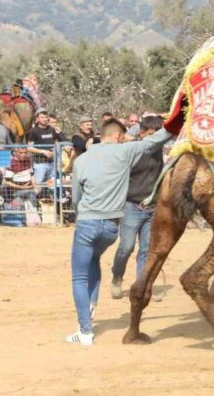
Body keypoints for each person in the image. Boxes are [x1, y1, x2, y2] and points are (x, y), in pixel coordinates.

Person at [66, 118, 171, 346]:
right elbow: (155, 140)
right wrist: (178, 122)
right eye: (122, 136)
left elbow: (76, 197)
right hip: (112, 227)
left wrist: (79, 215)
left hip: (87, 222)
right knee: (94, 261)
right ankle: (91, 308)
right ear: (115, 136)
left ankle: (85, 331)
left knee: (79, 276)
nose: (124, 139)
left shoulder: (82, 160)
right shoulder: (125, 152)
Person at [110, 116, 165, 299]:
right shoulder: (132, 151)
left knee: (146, 250)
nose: (155, 138)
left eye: (158, 134)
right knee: (126, 247)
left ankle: (143, 285)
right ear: (141, 133)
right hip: (131, 206)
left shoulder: (159, 153)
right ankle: (117, 277)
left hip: (152, 208)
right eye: (151, 134)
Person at [26, 109, 65, 188]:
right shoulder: (33, 131)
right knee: (38, 186)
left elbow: (56, 142)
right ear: (37, 119)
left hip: (52, 163)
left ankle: (51, 200)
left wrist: (54, 150)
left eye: (46, 117)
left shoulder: (52, 129)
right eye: (42, 117)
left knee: (52, 186)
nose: (44, 119)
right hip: (40, 163)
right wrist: (43, 151)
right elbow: (29, 148)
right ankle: (33, 200)